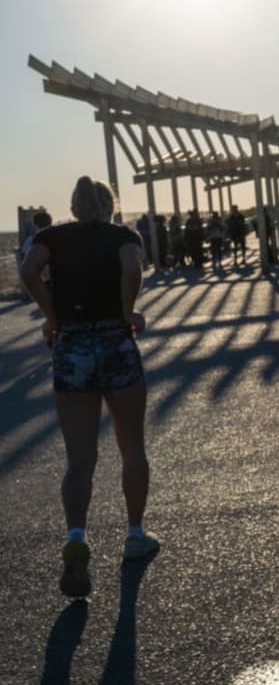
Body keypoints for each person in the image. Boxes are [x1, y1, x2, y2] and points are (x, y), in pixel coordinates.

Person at [19, 176, 159, 599]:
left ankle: (77, 536)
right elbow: (133, 266)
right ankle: (135, 534)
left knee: (79, 460)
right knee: (131, 445)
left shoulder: (51, 236)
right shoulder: (123, 235)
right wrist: (127, 311)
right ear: (108, 204)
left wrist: (52, 315)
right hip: (116, 341)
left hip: (73, 344)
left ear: (73, 205)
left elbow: (28, 269)